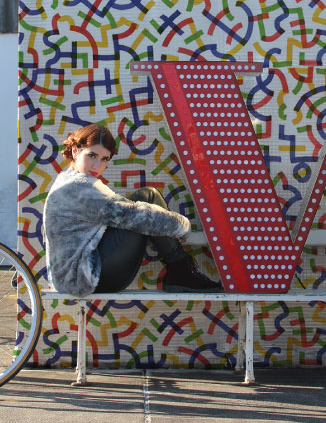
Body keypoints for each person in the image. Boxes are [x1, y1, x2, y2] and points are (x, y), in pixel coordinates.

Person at [44, 123, 222, 297]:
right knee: (147, 200)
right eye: (92, 155)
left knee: (144, 201)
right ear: (76, 151)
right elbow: (131, 215)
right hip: (85, 278)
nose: (97, 165)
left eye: (104, 159)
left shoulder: (67, 182)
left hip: (76, 276)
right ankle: (182, 270)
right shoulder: (78, 188)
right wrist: (183, 228)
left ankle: (181, 270)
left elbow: (120, 211)